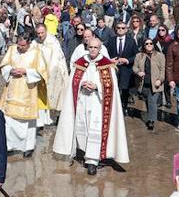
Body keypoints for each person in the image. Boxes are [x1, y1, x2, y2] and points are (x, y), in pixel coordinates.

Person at [55, 37, 129, 175]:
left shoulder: (107, 65)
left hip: (98, 104)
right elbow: (73, 83)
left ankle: (92, 161)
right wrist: (82, 84)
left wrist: (96, 87)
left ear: (100, 49)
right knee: (83, 130)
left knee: (96, 131)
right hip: (83, 101)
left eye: (96, 47)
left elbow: (111, 87)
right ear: (87, 47)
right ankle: (84, 154)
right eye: (90, 47)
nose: (93, 50)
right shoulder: (81, 62)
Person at [0, 32, 47, 157]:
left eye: (23, 46)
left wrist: (26, 71)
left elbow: (42, 72)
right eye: (18, 45)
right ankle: (9, 146)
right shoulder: (12, 49)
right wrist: (10, 70)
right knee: (8, 120)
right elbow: (4, 65)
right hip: (12, 89)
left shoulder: (36, 53)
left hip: (28, 91)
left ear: (29, 43)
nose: (20, 48)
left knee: (28, 123)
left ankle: (27, 147)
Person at [35, 25, 68, 128]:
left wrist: (50, 73)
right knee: (41, 97)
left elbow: (55, 58)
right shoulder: (35, 42)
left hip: (55, 72)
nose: (40, 35)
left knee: (57, 96)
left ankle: (59, 117)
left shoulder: (53, 42)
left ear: (46, 31)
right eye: (38, 33)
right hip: (40, 74)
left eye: (42, 33)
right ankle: (42, 120)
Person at [104, 20, 139, 113]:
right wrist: (110, 60)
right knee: (114, 88)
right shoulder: (111, 40)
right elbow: (106, 53)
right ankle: (114, 108)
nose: (120, 30)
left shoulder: (131, 41)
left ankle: (124, 107)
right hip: (113, 68)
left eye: (122, 28)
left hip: (126, 69)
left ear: (126, 29)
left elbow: (136, 55)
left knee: (125, 89)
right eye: (118, 28)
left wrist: (127, 60)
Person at [133, 37, 166, 131]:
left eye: (151, 43)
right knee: (148, 101)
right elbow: (134, 67)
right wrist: (138, 72)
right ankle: (150, 116)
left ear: (153, 45)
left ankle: (151, 121)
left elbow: (163, 69)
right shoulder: (139, 55)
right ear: (143, 45)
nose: (149, 45)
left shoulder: (160, 56)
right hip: (144, 83)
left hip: (156, 84)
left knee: (152, 101)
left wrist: (160, 80)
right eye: (146, 44)